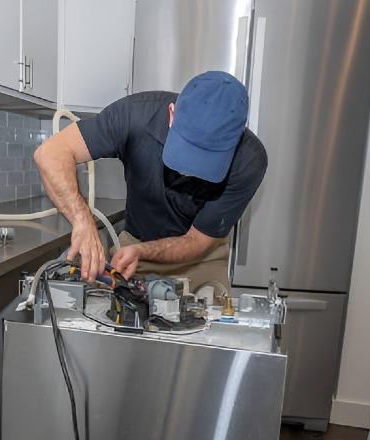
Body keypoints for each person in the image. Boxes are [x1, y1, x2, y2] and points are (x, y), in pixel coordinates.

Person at [34, 71, 267, 288]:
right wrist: (83, 223)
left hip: (201, 259)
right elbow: (51, 153)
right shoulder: (134, 115)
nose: (191, 170)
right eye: (187, 150)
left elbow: (198, 240)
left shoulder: (249, 160)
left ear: (235, 142)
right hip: (132, 249)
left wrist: (143, 251)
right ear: (172, 114)